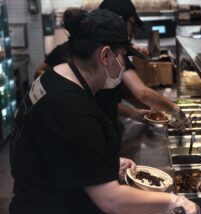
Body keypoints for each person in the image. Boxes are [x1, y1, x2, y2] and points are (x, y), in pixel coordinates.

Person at [9, 9, 201, 214]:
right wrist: (176, 201)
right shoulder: (72, 109)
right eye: (122, 56)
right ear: (105, 55)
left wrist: (106, 163)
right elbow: (111, 199)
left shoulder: (56, 77)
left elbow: (62, 147)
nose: (123, 64)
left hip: (41, 203)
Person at [34, 0, 186, 129]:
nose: (132, 33)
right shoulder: (73, 104)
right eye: (131, 25)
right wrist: (174, 109)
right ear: (105, 55)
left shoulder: (89, 71)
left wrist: (135, 113)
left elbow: (105, 102)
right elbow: (141, 93)